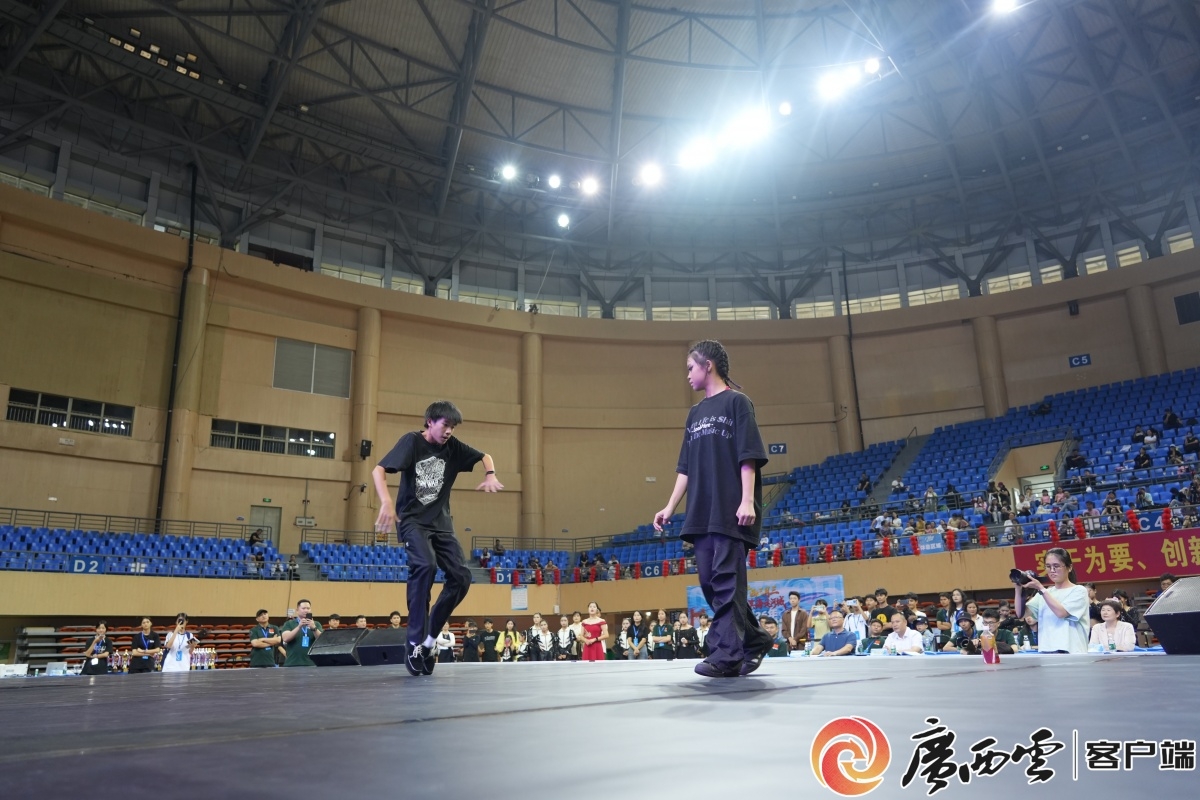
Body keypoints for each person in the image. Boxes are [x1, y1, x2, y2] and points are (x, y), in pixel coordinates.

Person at [653, 340, 772, 678]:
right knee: (710, 582)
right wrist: (670, 506)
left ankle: (726, 656)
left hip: (731, 508)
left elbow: (748, 455)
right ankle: (755, 638)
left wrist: (747, 500)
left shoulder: (738, 403)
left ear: (708, 365)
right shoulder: (695, 414)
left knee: (727, 580)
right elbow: (685, 467)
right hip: (701, 512)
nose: (688, 374)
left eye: (691, 367)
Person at [372, 400, 503, 677]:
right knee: (426, 566)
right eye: (445, 425)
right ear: (430, 422)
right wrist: (386, 502)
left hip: (442, 525)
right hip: (413, 522)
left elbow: (485, 455)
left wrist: (490, 474)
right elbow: (378, 470)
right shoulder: (411, 442)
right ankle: (414, 643)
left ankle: (429, 643)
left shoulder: (453, 446)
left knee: (462, 577)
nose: (449, 431)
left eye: (453, 427)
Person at [1015, 547, 1089, 653]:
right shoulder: (1045, 593)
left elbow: (1061, 613)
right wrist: (1018, 589)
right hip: (1047, 650)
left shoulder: (1079, 590)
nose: (1052, 570)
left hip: (1072, 651)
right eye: (1048, 566)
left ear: (1069, 567)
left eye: (1056, 566)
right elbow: (1021, 614)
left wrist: (1041, 588)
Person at [280, 599, 323, 667]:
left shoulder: (316, 624)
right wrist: (299, 627)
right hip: (292, 663)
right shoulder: (289, 623)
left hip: (311, 663)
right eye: (303, 608)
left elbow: (321, 640)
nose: (306, 610)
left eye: (308, 608)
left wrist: (314, 628)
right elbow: (285, 638)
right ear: (297, 610)